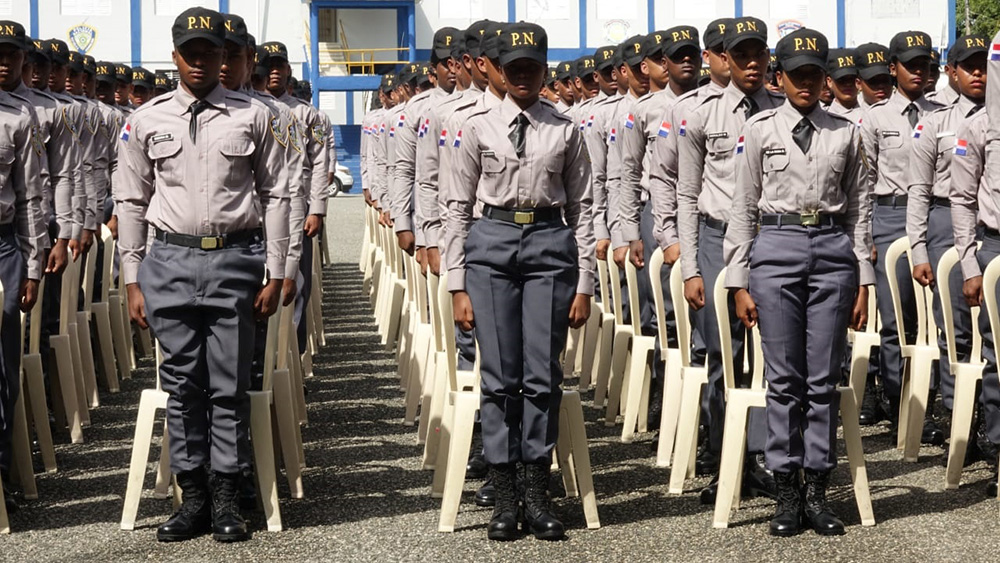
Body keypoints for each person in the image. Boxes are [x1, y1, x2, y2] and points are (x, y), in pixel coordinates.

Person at [115, 7, 290, 542]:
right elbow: (130, 198)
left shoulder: (254, 115)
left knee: (228, 385)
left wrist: (278, 269)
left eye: (209, 53)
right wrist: (131, 277)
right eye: (190, 53)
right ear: (174, 57)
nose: (199, 62)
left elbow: (278, 193)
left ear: (225, 58)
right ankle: (191, 495)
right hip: (168, 262)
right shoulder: (146, 120)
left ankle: (227, 495)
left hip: (235, 260)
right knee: (182, 385)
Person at [445, 22, 594, 541]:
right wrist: (456, 283)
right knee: (499, 377)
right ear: (498, 71)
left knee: (541, 374)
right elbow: (456, 208)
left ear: (544, 69)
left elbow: (585, 208)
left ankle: (537, 487)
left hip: (550, 247)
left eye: (533, 67)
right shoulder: (476, 124)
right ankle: (504, 493)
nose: (524, 76)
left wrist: (586, 283)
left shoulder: (565, 127)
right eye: (515, 68)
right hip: (492, 245)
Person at [725, 26, 872, 538]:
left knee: (822, 380)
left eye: (814, 74)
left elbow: (860, 211)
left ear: (824, 77)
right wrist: (738, 279)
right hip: (778, 250)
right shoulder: (761, 130)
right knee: (783, 379)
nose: (806, 84)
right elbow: (742, 209)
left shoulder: (845, 131)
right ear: (778, 77)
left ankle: (818, 488)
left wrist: (864, 279)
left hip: (832, 251)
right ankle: (786, 487)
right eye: (796, 74)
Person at [675, 16, 784, 503]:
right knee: (724, 356)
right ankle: (727, 463)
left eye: (759, 53)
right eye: (742, 55)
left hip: (772, 243)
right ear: (723, 59)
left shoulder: (783, 110)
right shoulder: (700, 113)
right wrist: (691, 267)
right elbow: (685, 192)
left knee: (775, 355)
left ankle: (768, 458)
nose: (753, 63)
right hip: (718, 242)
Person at [861, 30, 945, 443]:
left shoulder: (944, 112)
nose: (918, 71)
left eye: (924, 64)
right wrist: (867, 238)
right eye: (910, 64)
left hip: (936, 215)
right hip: (890, 217)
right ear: (892, 68)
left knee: (941, 319)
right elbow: (863, 183)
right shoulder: (875, 118)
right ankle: (901, 407)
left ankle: (938, 404)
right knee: (899, 320)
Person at [906, 34, 988, 423]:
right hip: (944, 220)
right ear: (950, 72)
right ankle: (960, 417)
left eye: (984, 64)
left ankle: (991, 417)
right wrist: (919, 249)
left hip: (990, 223)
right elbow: (919, 189)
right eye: (968, 66)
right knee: (955, 324)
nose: (978, 73)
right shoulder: (934, 121)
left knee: (993, 327)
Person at [0, 21, 48, 512]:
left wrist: (32, 266)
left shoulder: (21, 119)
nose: (2, 61)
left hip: (1, 250)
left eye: (10, 55)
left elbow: (33, 197)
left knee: (1, 369)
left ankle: (1, 470)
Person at [826, 48, 863, 123]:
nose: (848, 84)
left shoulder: (872, 115)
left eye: (852, 79)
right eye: (841, 80)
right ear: (829, 82)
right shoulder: (824, 119)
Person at [855, 43, 894, 109]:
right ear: (859, 84)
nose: (881, 86)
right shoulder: (849, 118)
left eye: (885, 80)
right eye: (873, 81)